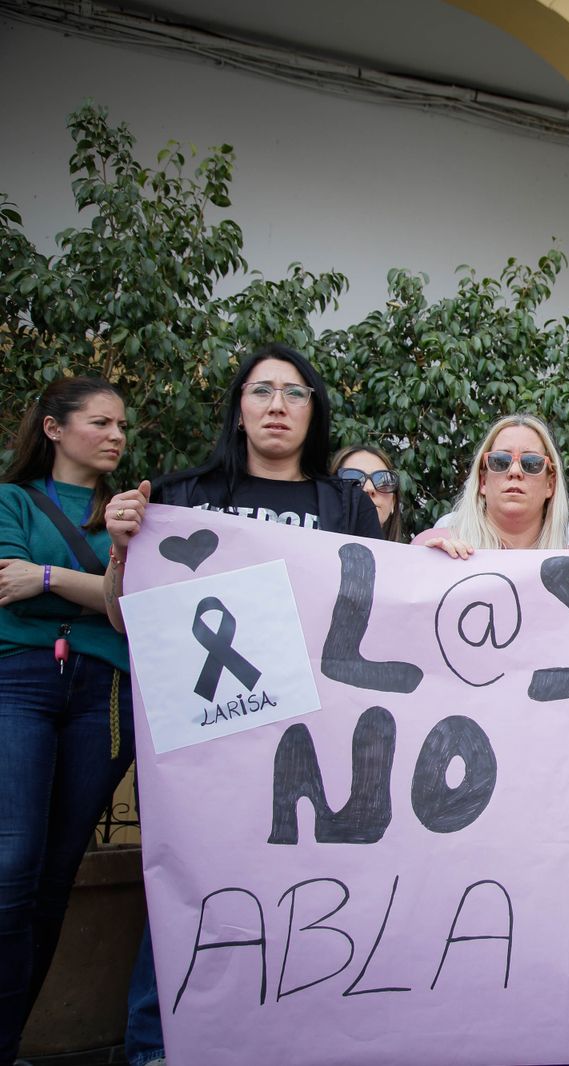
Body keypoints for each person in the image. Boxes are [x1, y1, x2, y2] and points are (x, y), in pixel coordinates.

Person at [102, 343, 385, 1066]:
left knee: (307, 895)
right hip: (211, 746)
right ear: (238, 408)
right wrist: (118, 554)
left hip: (313, 737)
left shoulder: (345, 503)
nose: (278, 406)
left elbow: (377, 606)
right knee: (190, 889)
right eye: (262, 392)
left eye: (295, 393)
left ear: (314, 411)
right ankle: (154, 1045)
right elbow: (124, 616)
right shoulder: (180, 497)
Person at [0, 378, 136, 1066]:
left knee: (56, 875)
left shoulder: (134, 512)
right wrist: (94, 589)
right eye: (101, 422)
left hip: (104, 692)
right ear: (53, 428)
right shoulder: (11, 500)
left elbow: (128, 604)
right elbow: (3, 583)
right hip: (19, 681)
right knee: (12, 864)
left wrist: (47, 580)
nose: (116, 435)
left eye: (121, 425)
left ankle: (11, 1036)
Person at [412, 414, 569, 557]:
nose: (515, 471)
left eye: (531, 463)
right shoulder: (433, 547)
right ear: (483, 481)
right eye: (500, 461)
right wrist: (432, 566)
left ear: (550, 485)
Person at [332, 443, 405, 541]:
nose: (370, 488)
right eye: (354, 481)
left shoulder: (409, 555)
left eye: (382, 481)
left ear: (393, 502)